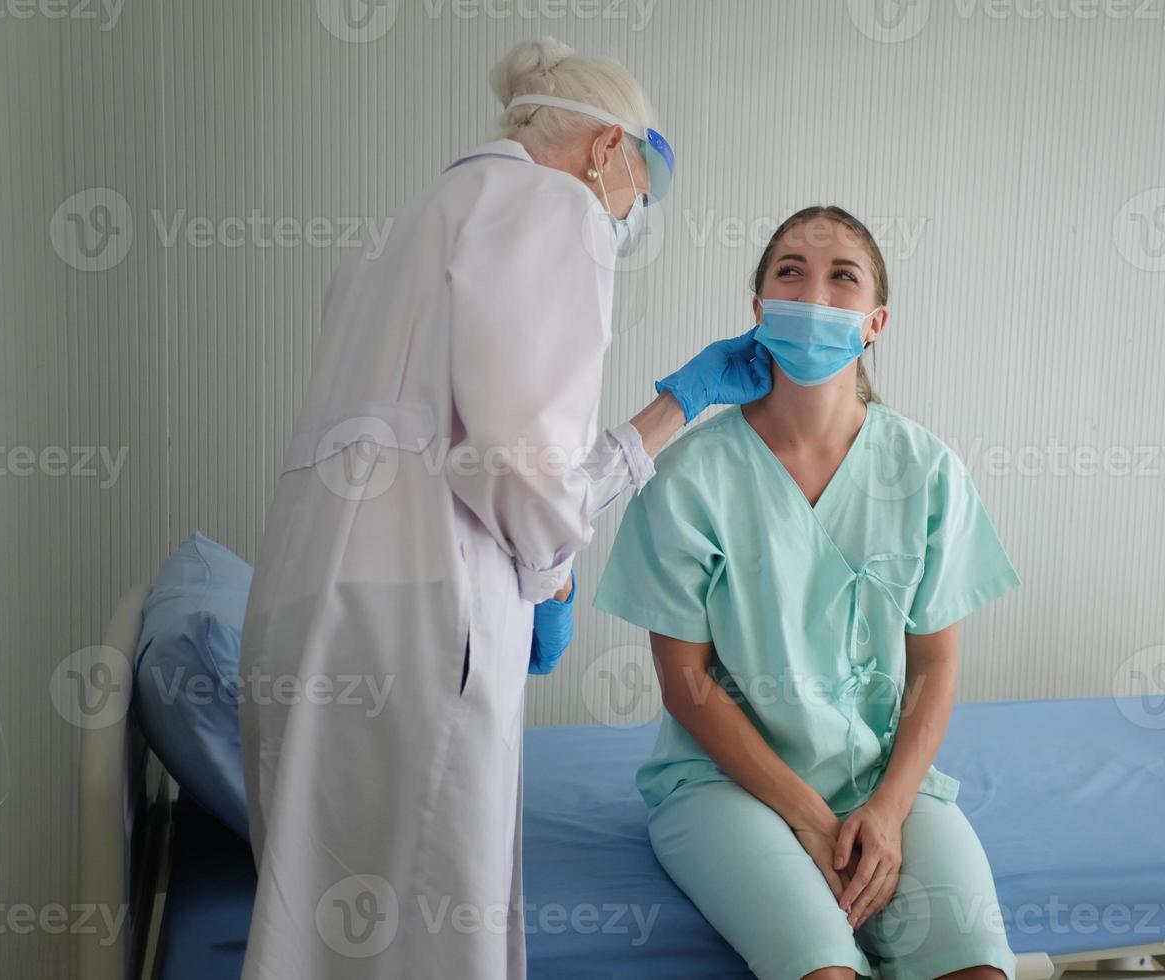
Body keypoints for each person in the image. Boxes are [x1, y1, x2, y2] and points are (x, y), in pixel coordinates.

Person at [237, 38, 771, 979]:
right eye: (638, 190)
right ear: (609, 148)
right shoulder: (555, 204)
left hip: (307, 609)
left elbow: (465, 438)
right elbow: (520, 465)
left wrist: (673, 407)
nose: (631, 216)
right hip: (423, 616)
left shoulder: (405, 224)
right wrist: (554, 576)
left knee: (323, 933)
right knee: (430, 934)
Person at [594, 206, 1020, 979]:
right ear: (758, 312)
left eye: (842, 277)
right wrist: (812, 821)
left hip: (882, 779)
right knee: (826, 972)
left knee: (980, 970)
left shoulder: (924, 469)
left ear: (874, 322)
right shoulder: (692, 476)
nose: (814, 295)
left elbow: (934, 666)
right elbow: (686, 685)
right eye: (790, 272)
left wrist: (887, 811)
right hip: (726, 787)